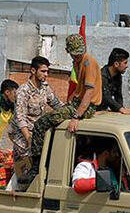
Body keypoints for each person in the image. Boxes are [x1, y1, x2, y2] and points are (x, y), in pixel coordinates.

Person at [21, 34, 102, 189]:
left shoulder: (87, 62)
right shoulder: (78, 61)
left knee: (41, 124)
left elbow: (89, 92)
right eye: (74, 53)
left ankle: (37, 165)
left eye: (78, 53)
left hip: (85, 106)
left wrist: (76, 115)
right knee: (49, 124)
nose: (76, 56)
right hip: (79, 102)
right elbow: (80, 89)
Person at [8, 56, 63, 161]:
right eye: (43, 71)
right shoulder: (23, 91)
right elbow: (20, 118)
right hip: (23, 136)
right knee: (27, 167)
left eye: (47, 71)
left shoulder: (44, 88)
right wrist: (29, 139)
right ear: (33, 70)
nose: (46, 74)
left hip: (36, 133)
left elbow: (56, 104)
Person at [98, 47, 130, 114]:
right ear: (116, 64)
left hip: (103, 110)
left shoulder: (118, 75)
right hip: (93, 110)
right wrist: (120, 109)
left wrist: (121, 109)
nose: (127, 66)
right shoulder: (102, 76)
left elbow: (118, 95)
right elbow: (106, 96)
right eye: (125, 63)